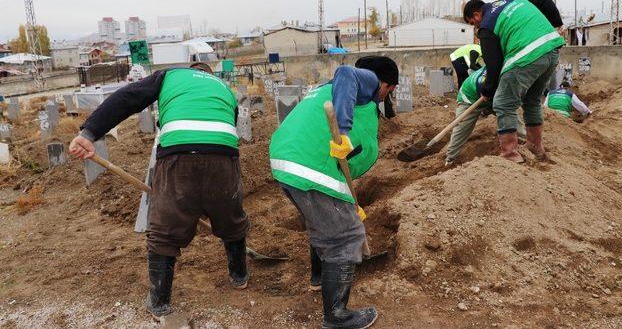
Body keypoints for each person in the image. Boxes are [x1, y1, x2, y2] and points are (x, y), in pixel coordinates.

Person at [68, 62, 249, 319]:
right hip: (224, 157)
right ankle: (239, 276)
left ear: (190, 70)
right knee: (230, 217)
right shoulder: (224, 88)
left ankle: (160, 302)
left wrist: (89, 132)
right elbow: (226, 128)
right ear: (210, 75)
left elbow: (127, 98)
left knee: (164, 229)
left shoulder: (170, 77)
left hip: (178, 157)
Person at [269, 56, 399, 329]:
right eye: (389, 88)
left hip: (292, 160)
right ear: (384, 83)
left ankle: (319, 278)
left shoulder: (334, 93)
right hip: (308, 164)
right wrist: (344, 130)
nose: (386, 94)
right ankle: (336, 317)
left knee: (326, 225)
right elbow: (345, 73)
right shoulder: (367, 81)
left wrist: (348, 200)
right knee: (345, 237)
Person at [463, 0, 565, 162]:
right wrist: (557, 24)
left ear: (476, 14)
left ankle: (510, 155)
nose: (476, 28)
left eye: (473, 23)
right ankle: (535, 147)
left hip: (526, 54)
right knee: (532, 100)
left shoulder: (486, 26)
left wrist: (488, 90)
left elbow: (493, 65)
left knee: (503, 103)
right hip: (551, 48)